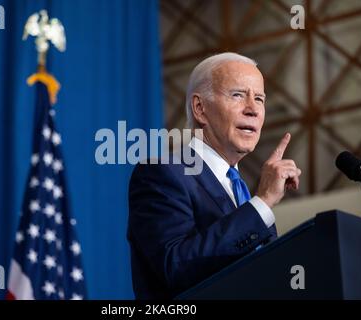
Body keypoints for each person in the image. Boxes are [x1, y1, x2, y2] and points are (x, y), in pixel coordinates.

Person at [127, 52, 301, 299]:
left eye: (260, 98)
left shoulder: (241, 193)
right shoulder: (162, 174)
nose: (253, 109)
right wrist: (262, 203)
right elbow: (175, 266)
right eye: (238, 95)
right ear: (200, 108)